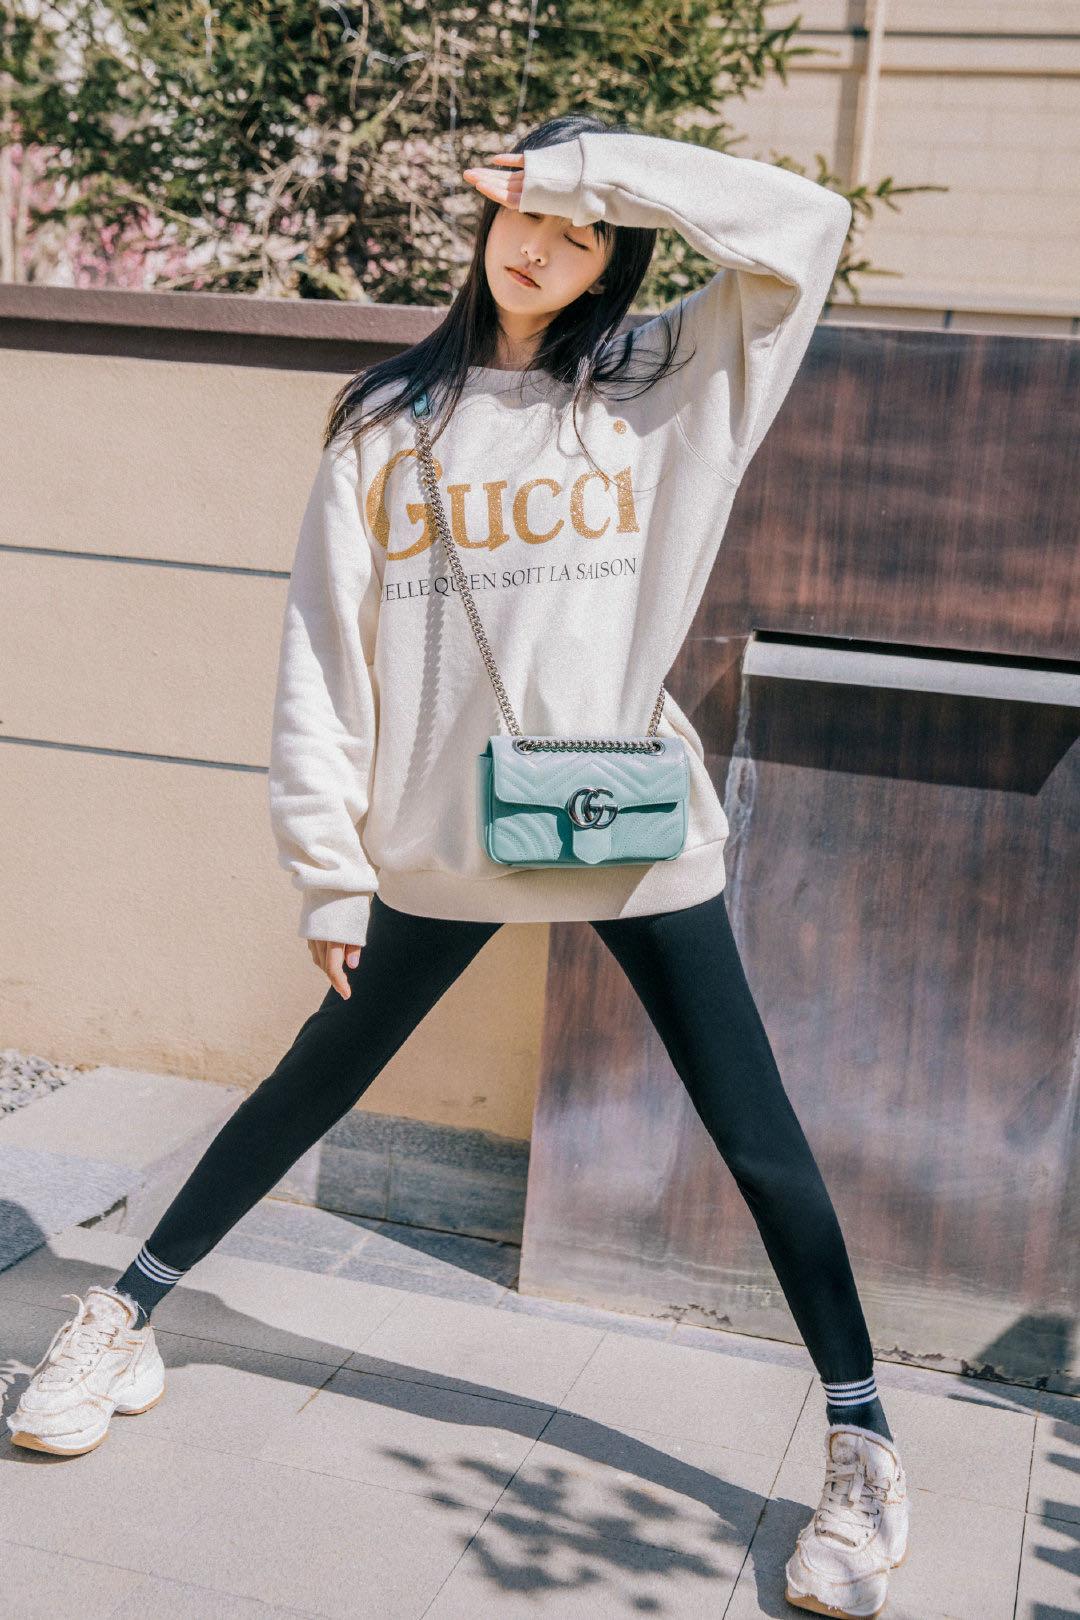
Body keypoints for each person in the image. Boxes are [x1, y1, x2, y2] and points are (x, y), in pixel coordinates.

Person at [8, 113, 909, 1618]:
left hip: (623, 824)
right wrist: (326, 868)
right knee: (310, 1085)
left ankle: (865, 1442)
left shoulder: (669, 375)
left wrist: (592, 164)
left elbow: (805, 227)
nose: (541, 244)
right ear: (480, 219)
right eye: (523, 213)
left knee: (753, 1135)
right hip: (444, 835)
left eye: (579, 227)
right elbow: (323, 655)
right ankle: (125, 1317)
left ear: (616, 249)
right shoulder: (389, 418)